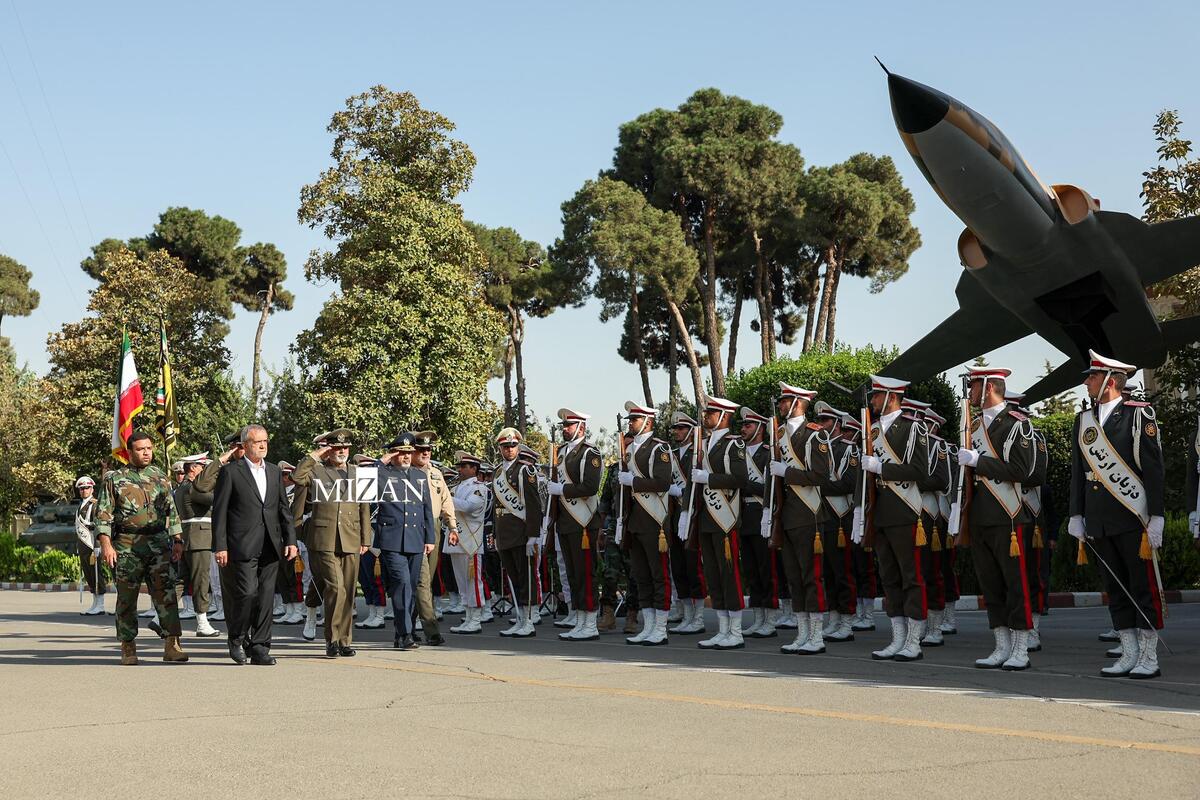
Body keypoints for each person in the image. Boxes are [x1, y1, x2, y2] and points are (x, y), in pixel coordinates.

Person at [1068, 351, 1165, 679]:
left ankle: (1149, 656)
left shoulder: (1138, 415)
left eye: (1092, 377)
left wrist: (1157, 515)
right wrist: (1076, 514)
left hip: (1132, 517)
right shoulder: (1083, 420)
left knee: (1142, 588)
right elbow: (1078, 472)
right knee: (1116, 589)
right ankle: (1128, 652)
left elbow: (1153, 469)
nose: (1087, 382)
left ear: (1110, 380)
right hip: (1099, 519)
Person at [953, 367, 1036, 671]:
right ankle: (1001, 646)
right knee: (990, 585)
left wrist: (980, 461)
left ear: (988, 387)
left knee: (1016, 585)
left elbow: (1022, 471)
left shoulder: (1016, 425)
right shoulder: (972, 426)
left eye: (974, 385)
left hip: (1008, 515)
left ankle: (1020, 648)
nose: (970, 392)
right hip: (979, 516)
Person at [95, 430, 188, 666]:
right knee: (127, 597)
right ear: (129, 452)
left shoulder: (160, 477)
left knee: (166, 595)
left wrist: (177, 540)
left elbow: (172, 512)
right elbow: (103, 515)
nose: (146, 453)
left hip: (158, 543)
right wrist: (106, 545)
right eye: (140, 449)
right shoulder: (115, 479)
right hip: (127, 544)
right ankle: (128, 646)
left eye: (148, 448)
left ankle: (172, 644)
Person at [853, 376, 930, 663]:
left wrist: (882, 468)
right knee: (889, 577)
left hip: (904, 509)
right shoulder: (871, 430)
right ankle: (897, 638)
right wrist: (860, 510)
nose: (873, 400)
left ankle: (913, 640)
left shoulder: (913, 428)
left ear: (891, 397)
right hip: (880, 512)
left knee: (911, 577)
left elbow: (920, 471)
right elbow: (863, 475)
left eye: (877, 395)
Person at [212, 424, 299, 666]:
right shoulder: (231, 472)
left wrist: (290, 540)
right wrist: (220, 545)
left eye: (265, 441)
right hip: (241, 544)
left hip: (271, 544)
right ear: (245, 445)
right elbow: (220, 512)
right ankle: (237, 638)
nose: (262, 445)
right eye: (256, 441)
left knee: (265, 597)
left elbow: (283, 509)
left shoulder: (273, 471)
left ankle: (260, 647)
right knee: (247, 593)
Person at [290, 429, 373, 658]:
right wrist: (316, 455)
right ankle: (332, 639)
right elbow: (297, 476)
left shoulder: (358, 472)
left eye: (345, 448)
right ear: (328, 449)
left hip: (351, 537)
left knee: (348, 591)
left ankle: (345, 641)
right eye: (336, 448)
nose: (341, 451)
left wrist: (366, 538)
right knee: (335, 587)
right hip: (323, 539)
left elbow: (364, 507)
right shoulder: (316, 471)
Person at [769, 382, 832, 655]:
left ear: (797, 403)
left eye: (785, 401)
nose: (781, 405)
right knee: (794, 578)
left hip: (809, 515)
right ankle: (802, 633)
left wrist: (787, 473)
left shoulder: (815, 434)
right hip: (787, 516)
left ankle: (816, 636)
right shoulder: (779, 434)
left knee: (811, 577)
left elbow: (820, 476)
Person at [687, 397, 748, 650]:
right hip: (706, 518)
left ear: (723, 416)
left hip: (725, 519)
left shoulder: (734, 444)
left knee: (729, 574)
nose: (706, 416)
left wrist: (709, 478)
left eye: (711, 412)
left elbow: (740, 479)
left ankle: (736, 631)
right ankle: (723, 629)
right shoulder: (703, 443)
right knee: (713, 575)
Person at [618, 402, 673, 646]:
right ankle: (648, 626)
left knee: (659, 575)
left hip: (654, 521)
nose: (630, 423)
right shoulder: (629, 450)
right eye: (630, 420)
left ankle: (660, 628)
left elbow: (663, 483)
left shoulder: (659, 448)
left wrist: (634, 482)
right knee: (642, 577)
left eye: (635, 420)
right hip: (636, 522)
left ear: (648, 422)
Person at [375, 432, 437, 650]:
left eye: (409, 453)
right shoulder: (383, 473)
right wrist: (382, 459)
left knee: (410, 587)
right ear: (393, 454)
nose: (406, 457)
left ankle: (401, 632)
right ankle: (406, 634)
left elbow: (427, 508)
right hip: (392, 540)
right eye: (401, 453)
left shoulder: (419, 476)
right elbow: (363, 480)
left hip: (416, 539)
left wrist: (430, 537)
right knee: (401, 585)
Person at [547, 408, 604, 641]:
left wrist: (562, 489)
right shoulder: (560, 452)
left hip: (583, 522)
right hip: (565, 522)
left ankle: (590, 623)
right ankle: (579, 620)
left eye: (569, 425)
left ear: (581, 427)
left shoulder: (590, 452)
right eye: (564, 425)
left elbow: (590, 487)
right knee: (572, 575)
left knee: (585, 574)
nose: (565, 429)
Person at [491, 428, 543, 637]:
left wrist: (533, 536)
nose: (510, 450)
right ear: (500, 448)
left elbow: (533, 505)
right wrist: (495, 533)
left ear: (518, 447)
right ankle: (520, 618)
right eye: (506, 446)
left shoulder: (525, 470)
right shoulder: (497, 472)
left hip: (521, 533)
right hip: (504, 533)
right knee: (513, 578)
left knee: (526, 578)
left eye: (513, 446)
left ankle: (529, 620)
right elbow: (496, 506)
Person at [814, 402, 858, 643]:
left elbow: (849, 484)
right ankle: (834, 618)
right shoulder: (818, 447)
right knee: (828, 573)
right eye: (819, 421)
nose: (821, 425)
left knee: (842, 572)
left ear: (837, 424)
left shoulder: (849, 449)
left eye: (826, 421)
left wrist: (818, 486)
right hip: (822, 516)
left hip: (841, 518)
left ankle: (847, 621)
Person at [413, 431, 454, 646]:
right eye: (421, 449)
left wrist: (452, 526)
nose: (426, 453)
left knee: (425, 582)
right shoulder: (404, 472)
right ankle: (430, 630)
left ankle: (408, 627)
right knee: (419, 582)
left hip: (434, 526)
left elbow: (446, 500)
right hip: (413, 527)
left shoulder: (436, 473)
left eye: (428, 449)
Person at [667, 411, 706, 635]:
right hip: (674, 517)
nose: (677, 432)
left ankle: (698, 617)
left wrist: (681, 492)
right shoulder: (671, 455)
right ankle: (686, 614)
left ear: (691, 431)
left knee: (694, 568)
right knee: (678, 568)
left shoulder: (698, 453)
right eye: (675, 429)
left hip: (692, 516)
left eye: (681, 428)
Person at [175, 453, 221, 637]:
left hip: (189, 536)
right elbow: (215, 500)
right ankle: (202, 622)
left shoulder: (182, 487)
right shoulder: (192, 487)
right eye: (202, 467)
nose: (204, 471)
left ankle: (159, 616)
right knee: (201, 580)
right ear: (193, 468)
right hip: (199, 537)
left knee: (182, 580)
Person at [738, 408, 774, 639]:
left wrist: (743, 484)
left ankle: (769, 619)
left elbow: (770, 489)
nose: (743, 429)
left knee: (765, 569)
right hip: (743, 515)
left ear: (760, 429)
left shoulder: (767, 453)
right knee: (751, 570)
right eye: (743, 425)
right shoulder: (738, 453)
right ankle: (758, 618)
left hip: (761, 513)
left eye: (748, 425)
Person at [446, 451, 489, 634]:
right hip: (456, 540)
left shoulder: (479, 487)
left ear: (474, 469)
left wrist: (446, 498)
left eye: (464, 466)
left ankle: (476, 619)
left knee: (473, 582)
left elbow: (470, 507)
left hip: (471, 541)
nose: (460, 470)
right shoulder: (456, 488)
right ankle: (468, 616)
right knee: (462, 582)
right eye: (459, 466)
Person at [74, 476, 105, 616]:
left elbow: (98, 525)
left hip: (93, 544)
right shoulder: (81, 505)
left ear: (92, 489)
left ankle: (100, 604)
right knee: (89, 573)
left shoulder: (95, 504)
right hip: (84, 544)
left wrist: (98, 546)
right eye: (81, 489)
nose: (84, 490)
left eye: (87, 488)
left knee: (96, 573)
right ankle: (95, 603)